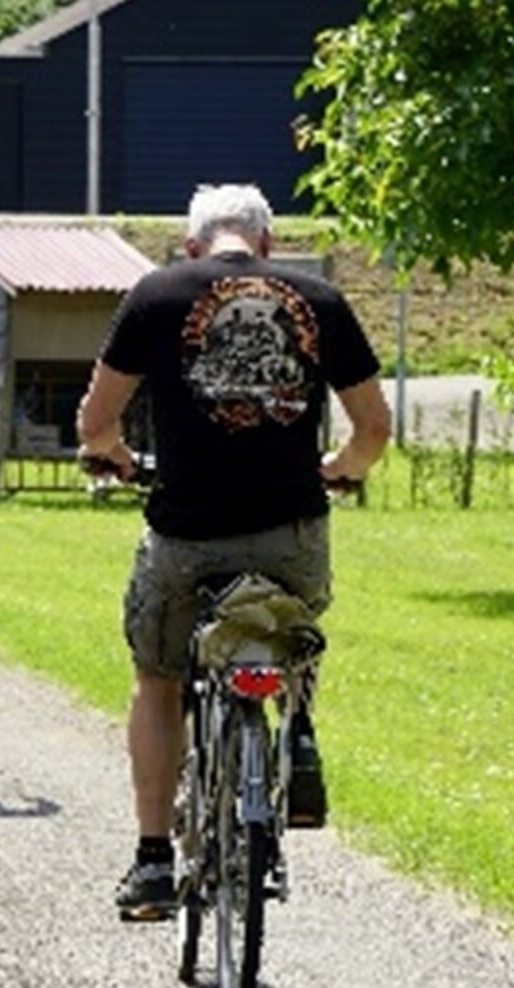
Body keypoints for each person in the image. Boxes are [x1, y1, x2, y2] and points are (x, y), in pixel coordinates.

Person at [75, 183, 391, 922]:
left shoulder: (157, 292)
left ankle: (153, 857)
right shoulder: (319, 298)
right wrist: (341, 469)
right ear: (266, 245)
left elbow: (94, 421)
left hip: (185, 531)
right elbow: (372, 428)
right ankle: (297, 739)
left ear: (192, 246)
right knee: (292, 632)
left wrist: (114, 456)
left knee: (157, 677)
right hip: (289, 530)